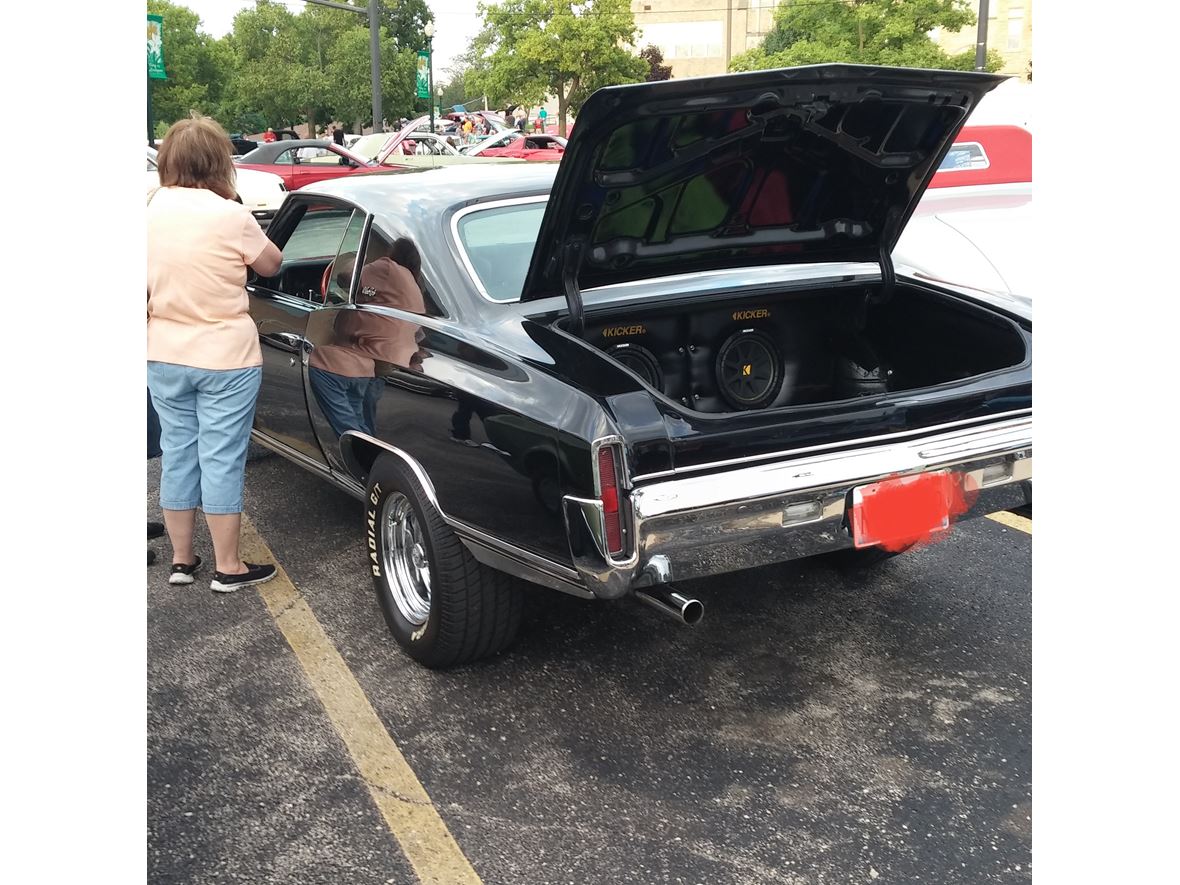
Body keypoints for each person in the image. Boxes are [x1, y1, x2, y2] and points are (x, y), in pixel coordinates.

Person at [147, 113, 284, 593]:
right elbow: (272, 263)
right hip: (226, 355)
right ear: (217, 162)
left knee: (178, 452)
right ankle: (229, 566)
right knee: (222, 457)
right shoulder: (231, 214)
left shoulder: (147, 209)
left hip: (163, 351)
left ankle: (182, 561)